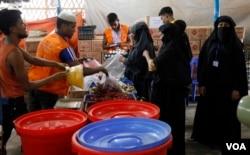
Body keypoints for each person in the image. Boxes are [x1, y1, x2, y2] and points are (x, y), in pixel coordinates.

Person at [0, 8, 67, 155]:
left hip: (5, 101)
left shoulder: (5, 42)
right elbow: (27, 86)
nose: (25, 25)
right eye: (21, 23)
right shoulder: (14, 54)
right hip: (14, 103)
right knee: (28, 138)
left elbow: (32, 59)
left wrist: (56, 64)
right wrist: (53, 78)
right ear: (12, 28)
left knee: (7, 137)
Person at [28, 10, 109, 112]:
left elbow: (53, 60)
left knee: (35, 121)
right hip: (49, 90)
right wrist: (100, 68)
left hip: (35, 85)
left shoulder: (47, 39)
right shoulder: (64, 47)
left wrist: (76, 60)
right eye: (72, 27)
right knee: (49, 122)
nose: (74, 30)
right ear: (63, 26)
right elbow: (80, 71)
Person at [190, 15, 248, 150]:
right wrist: (201, 83)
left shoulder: (235, 46)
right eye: (220, 25)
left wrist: (237, 88)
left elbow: (239, 69)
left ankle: (227, 143)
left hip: (228, 90)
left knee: (227, 116)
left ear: (231, 27)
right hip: (210, 87)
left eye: (226, 26)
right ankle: (209, 139)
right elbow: (202, 64)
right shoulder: (210, 43)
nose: (222, 28)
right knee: (210, 113)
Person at [143, 21, 192, 155]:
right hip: (176, 92)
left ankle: (167, 149)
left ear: (168, 34)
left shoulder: (169, 49)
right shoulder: (178, 46)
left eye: (162, 33)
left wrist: (146, 55)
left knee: (167, 122)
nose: (160, 35)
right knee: (176, 122)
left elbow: (152, 66)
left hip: (167, 93)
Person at [119, 22, 155, 101]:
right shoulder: (148, 43)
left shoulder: (140, 47)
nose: (133, 35)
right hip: (144, 78)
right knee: (144, 97)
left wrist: (123, 59)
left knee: (138, 97)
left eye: (133, 34)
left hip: (138, 78)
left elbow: (131, 61)